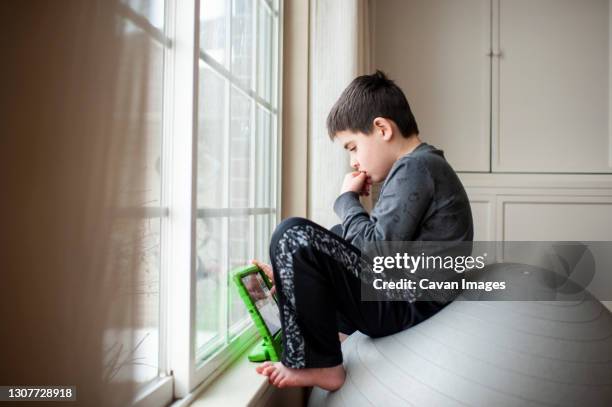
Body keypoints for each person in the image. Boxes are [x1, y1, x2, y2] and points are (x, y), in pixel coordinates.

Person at [254, 70, 473, 390]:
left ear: (382, 128)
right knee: (336, 232)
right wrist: (293, 272)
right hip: (411, 296)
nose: (354, 162)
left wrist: (347, 198)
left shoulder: (416, 166)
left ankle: (323, 365)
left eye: (353, 147)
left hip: (411, 302)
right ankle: (303, 300)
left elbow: (373, 252)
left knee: (292, 234)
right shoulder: (422, 166)